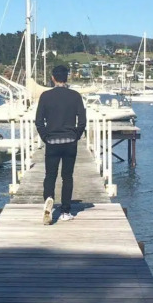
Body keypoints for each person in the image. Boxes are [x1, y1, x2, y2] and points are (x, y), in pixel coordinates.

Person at [34, 64, 87, 223]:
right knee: (67, 176)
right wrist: (76, 136)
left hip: (52, 141)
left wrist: (45, 137)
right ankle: (65, 212)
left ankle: (49, 200)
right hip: (70, 141)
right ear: (67, 78)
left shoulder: (45, 96)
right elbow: (82, 121)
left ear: (53, 78)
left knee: (50, 175)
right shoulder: (75, 96)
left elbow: (38, 121)